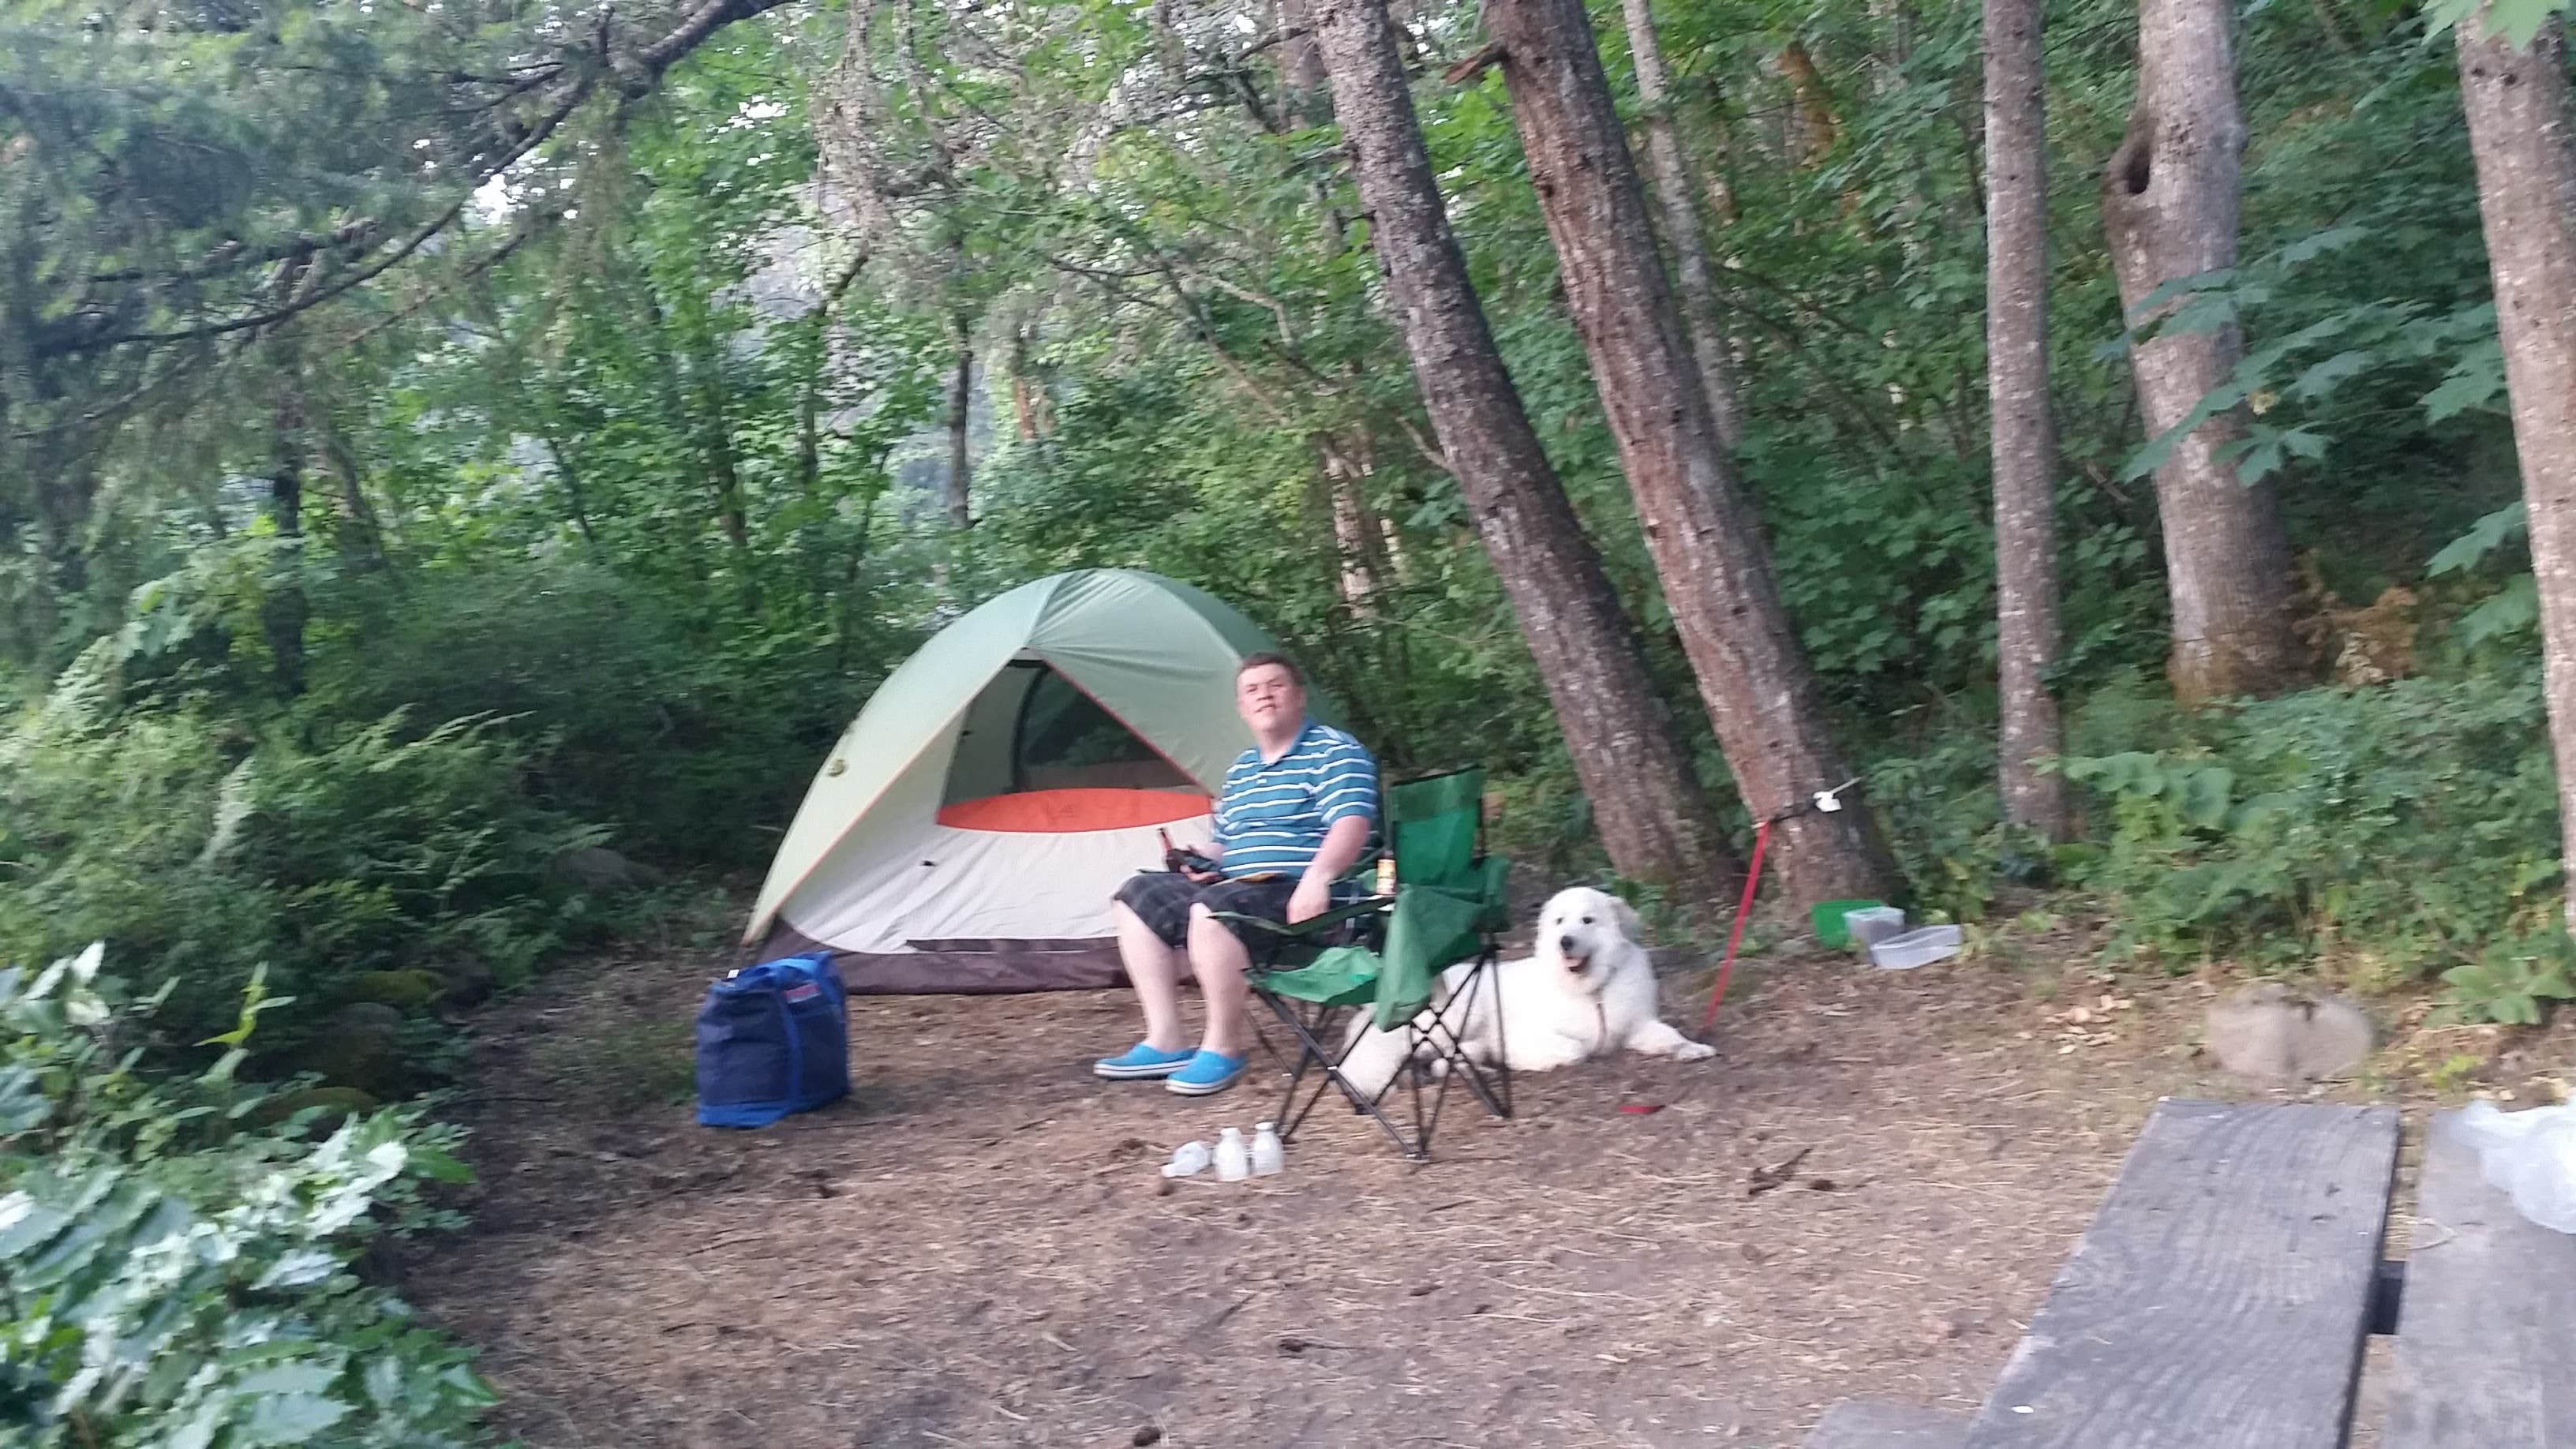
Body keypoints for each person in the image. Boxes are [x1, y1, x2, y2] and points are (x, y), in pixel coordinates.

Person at [1092, 652, 1379, 1096]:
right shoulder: (1242, 768)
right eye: (1252, 689)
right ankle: (1166, 1038)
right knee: (1135, 895)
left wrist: (1318, 877)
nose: (1264, 694)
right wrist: (1199, 860)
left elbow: (1352, 824)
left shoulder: (1334, 750)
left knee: (1214, 908)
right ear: (1242, 708)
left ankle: (1225, 1046)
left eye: (1276, 685)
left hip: (1309, 895)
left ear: (1299, 697)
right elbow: (1224, 841)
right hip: (1239, 889)